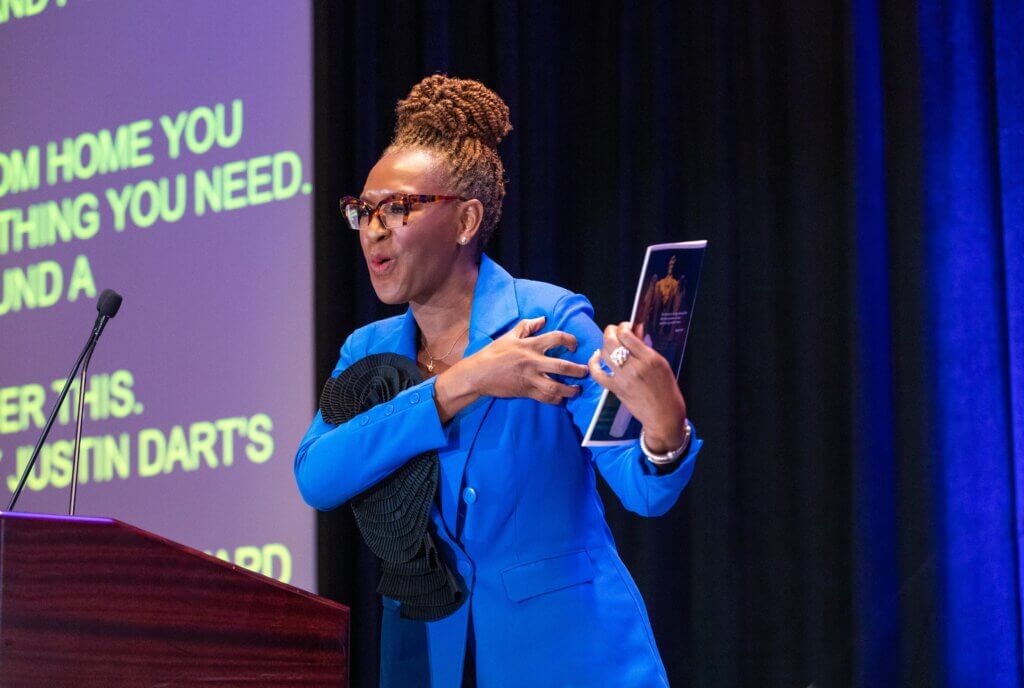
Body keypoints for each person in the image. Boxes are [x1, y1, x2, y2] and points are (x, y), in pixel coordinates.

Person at [294, 75, 703, 688]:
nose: (372, 230)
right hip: (424, 653)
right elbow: (317, 476)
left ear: (466, 220)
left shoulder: (550, 320)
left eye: (397, 208)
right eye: (363, 210)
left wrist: (665, 428)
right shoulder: (367, 350)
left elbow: (644, 493)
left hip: (569, 654)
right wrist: (461, 383)